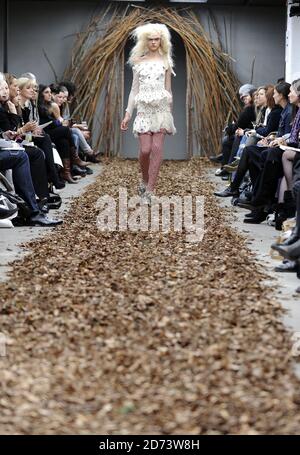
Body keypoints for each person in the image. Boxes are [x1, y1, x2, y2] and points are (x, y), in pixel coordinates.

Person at [120, 23, 176, 205]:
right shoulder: (138, 62)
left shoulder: (166, 61)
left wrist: (169, 114)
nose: (153, 42)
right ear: (145, 40)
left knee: (157, 149)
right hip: (143, 110)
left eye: (156, 39)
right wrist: (128, 113)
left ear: (161, 40)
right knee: (145, 150)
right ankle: (144, 180)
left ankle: (150, 190)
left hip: (160, 109)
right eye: (150, 39)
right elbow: (134, 90)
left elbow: (168, 90)